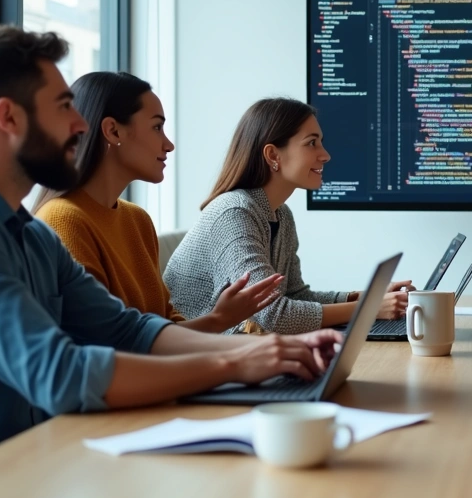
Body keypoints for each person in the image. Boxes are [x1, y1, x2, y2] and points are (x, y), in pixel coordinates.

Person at [0, 27, 341, 498]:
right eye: (64, 106)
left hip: (25, 471)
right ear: (8, 117)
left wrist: (268, 348)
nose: (80, 125)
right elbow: (60, 374)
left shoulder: (29, 234)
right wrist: (234, 363)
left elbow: (129, 330)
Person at [33, 71, 281, 333]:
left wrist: (223, 320)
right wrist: (220, 321)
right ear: (113, 130)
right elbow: (105, 345)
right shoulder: (63, 220)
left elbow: (164, 328)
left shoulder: (137, 220)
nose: (169, 145)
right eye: (157, 127)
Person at [164, 97, 412, 334]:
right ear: (273, 155)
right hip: (194, 356)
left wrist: (365, 297)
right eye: (311, 143)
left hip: (237, 349)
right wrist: (368, 309)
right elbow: (274, 314)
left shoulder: (281, 214)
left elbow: (295, 295)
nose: (325, 155)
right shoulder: (234, 212)